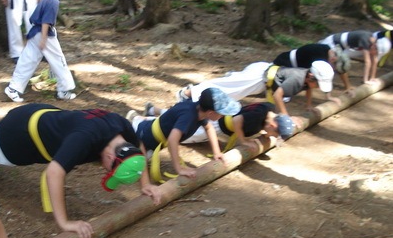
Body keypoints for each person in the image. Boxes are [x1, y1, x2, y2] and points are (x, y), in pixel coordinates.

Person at [0, 104, 162, 238]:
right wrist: (64, 223)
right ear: (109, 157)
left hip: (43, 118)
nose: (108, 171)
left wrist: (145, 183)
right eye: (111, 170)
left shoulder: (121, 128)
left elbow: (139, 147)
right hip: (19, 135)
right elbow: (54, 173)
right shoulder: (85, 139)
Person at [126, 88, 241, 181]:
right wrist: (179, 168)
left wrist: (217, 152)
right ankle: (132, 124)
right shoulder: (188, 117)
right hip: (143, 136)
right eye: (222, 113)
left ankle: (138, 120)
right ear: (211, 113)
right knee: (134, 167)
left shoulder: (199, 110)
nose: (223, 116)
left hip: (155, 137)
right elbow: (172, 140)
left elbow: (209, 127)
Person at [175, 61, 335, 127]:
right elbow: (278, 95)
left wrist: (308, 105)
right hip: (259, 77)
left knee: (230, 91)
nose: (317, 87)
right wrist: (286, 117)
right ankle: (188, 93)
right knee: (227, 89)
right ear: (311, 76)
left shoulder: (306, 79)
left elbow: (308, 89)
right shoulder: (297, 79)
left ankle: (195, 93)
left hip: (263, 76)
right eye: (318, 83)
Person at [5, 0, 76, 102]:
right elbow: (46, 21)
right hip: (45, 35)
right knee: (58, 60)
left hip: (34, 33)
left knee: (27, 60)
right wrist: (43, 39)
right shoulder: (53, 2)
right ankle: (64, 90)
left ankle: (13, 88)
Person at [145, 102, 294, 153]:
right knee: (183, 133)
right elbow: (237, 120)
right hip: (217, 125)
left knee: (179, 118)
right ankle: (144, 121)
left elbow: (264, 124)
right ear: (273, 125)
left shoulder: (269, 109)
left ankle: (153, 109)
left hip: (220, 120)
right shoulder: (257, 117)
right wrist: (243, 140)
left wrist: (267, 134)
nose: (272, 136)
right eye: (275, 134)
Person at [273, 43, 352, 93]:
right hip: (285, 63)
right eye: (334, 68)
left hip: (295, 64)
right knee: (285, 92)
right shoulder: (319, 58)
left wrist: (348, 87)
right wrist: (329, 96)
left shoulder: (328, 51)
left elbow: (341, 71)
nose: (333, 70)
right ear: (333, 60)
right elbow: (311, 81)